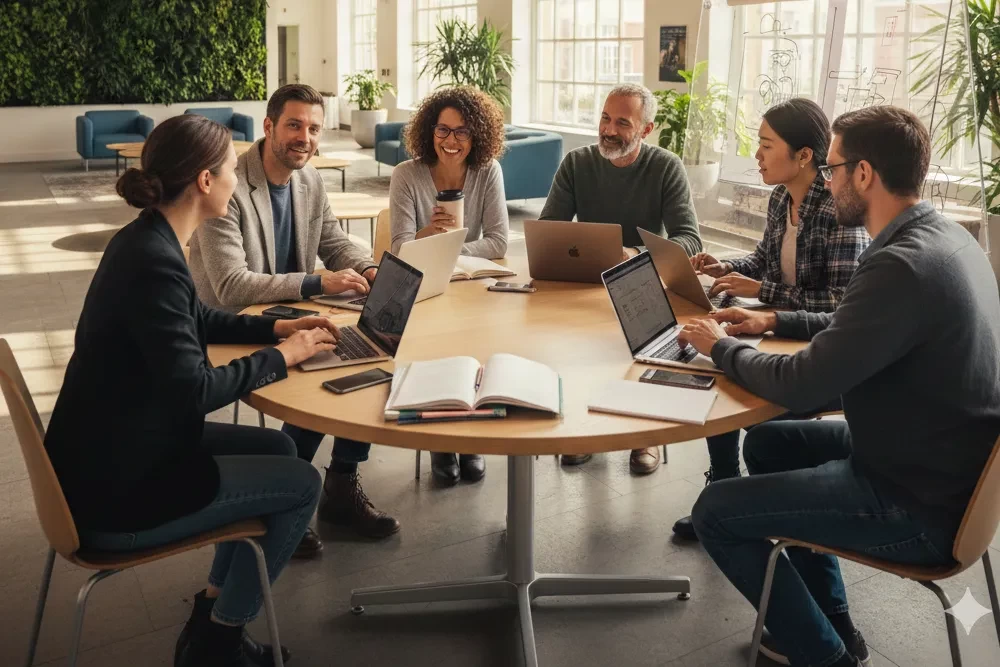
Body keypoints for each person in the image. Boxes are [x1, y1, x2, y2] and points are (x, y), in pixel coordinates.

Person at [679, 106, 1000, 667]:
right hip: (938, 461)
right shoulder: (941, 236)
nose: (826, 181)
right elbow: (860, 328)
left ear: (864, 174)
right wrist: (771, 321)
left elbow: (804, 384)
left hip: (915, 501)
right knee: (768, 443)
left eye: (831, 169)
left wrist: (721, 349)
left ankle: (828, 659)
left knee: (715, 512)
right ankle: (834, 622)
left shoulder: (899, 263)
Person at [44, 114, 338, 667]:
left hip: (111, 452)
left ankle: (211, 611)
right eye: (230, 168)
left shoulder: (145, 242)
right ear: (205, 181)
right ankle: (220, 641)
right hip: (116, 495)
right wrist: (283, 358)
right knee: (302, 483)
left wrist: (278, 328)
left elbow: (197, 317)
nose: (236, 177)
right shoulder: (154, 261)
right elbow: (195, 392)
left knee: (280, 447)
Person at [188, 84, 400, 552]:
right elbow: (231, 286)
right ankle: (288, 497)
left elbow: (333, 240)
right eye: (294, 124)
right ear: (268, 126)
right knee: (326, 367)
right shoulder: (228, 184)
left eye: (314, 128)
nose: (305, 137)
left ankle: (342, 480)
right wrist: (317, 282)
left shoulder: (310, 180)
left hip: (293, 310)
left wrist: (366, 267)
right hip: (233, 323)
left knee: (370, 352)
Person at [671, 98, 869, 540]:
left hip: (811, 342)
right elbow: (763, 259)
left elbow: (840, 302)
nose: (756, 155)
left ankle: (761, 504)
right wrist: (727, 269)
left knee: (739, 373)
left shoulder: (840, 212)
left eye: (765, 145)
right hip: (778, 326)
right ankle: (723, 486)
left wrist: (762, 293)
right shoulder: (782, 197)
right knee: (717, 363)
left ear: (804, 157)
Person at [539, 82, 703, 475]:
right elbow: (548, 229)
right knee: (570, 343)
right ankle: (587, 430)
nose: (608, 130)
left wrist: (635, 255)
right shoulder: (577, 163)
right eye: (605, 118)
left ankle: (643, 433)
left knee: (637, 342)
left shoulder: (665, 166)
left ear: (646, 130)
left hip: (644, 283)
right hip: (587, 283)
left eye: (622, 123)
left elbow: (690, 239)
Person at [389, 85, 510, 484]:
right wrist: (428, 235)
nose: (451, 141)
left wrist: (449, 247)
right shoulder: (406, 175)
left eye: (461, 132)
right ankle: (441, 438)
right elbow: (399, 247)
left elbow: (499, 240)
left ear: (476, 136)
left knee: (478, 341)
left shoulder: (487, 171)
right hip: (423, 286)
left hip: (472, 286)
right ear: (429, 131)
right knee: (437, 342)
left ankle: (469, 436)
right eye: (443, 130)